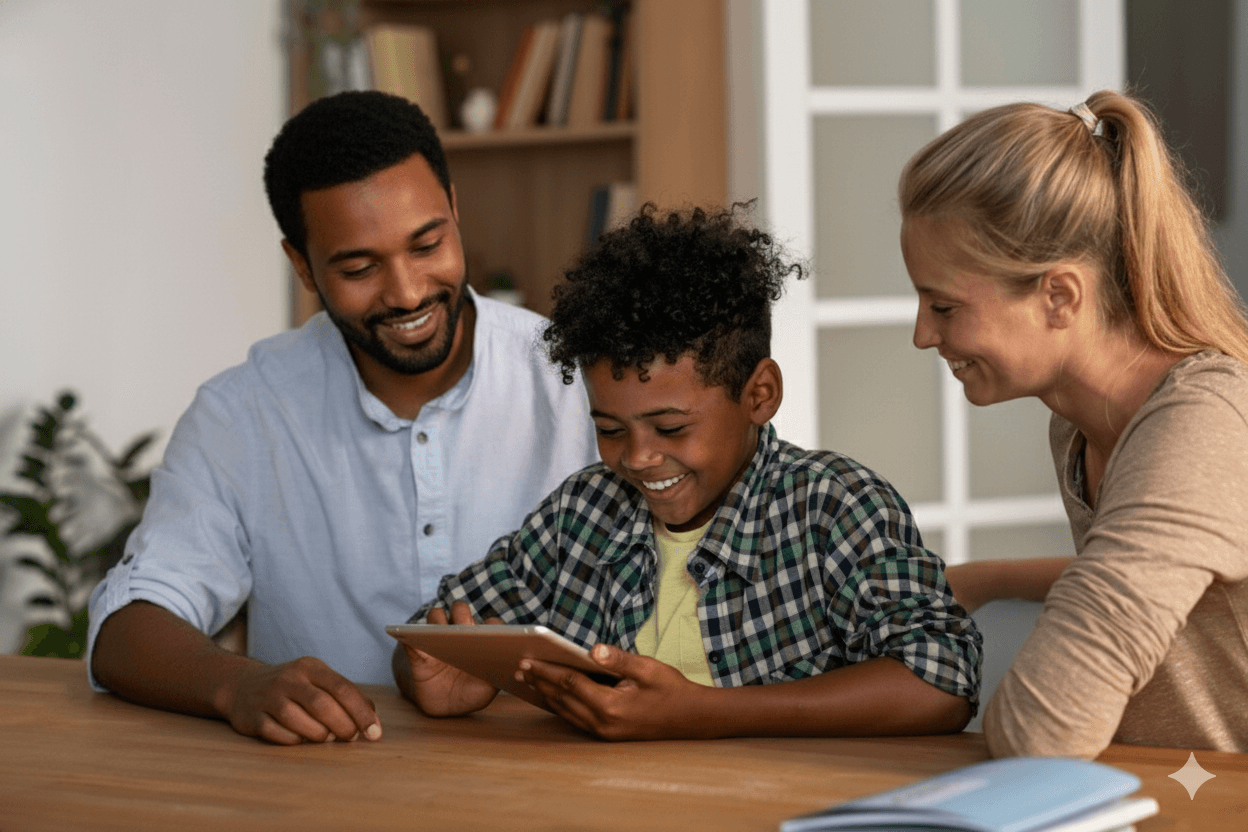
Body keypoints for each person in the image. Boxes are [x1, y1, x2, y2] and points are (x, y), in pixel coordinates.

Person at [86, 91, 598, 745]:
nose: (408, 291)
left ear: (454, 211)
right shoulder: (241, 414)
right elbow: (128, 623)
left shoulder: (575, 379)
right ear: (302, 265)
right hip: (326, 787)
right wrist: (235, 683)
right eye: (359, 267)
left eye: (428, 244)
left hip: (558, 775)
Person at [393, 203, 981, 740]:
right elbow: (428, 633)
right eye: (611, 429)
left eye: (671, 429)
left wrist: (701, 712)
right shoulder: (582, 514)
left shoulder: (835, 509)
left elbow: (942, 680)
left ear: (760, 394)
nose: (639, 458)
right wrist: (442, 672)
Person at [898, 89, 1248, 758]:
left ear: (1059, 295)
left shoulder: (1203, 428)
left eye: (943, 307)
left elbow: (1042, 734)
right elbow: (1140, 568)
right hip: (1177, 793)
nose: (922, 335)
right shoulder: (1081, 423)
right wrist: (981, 580)